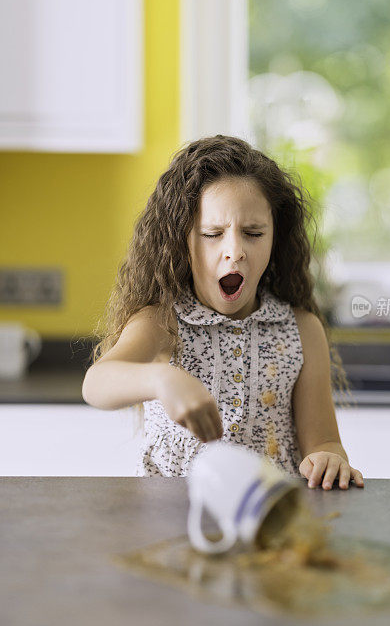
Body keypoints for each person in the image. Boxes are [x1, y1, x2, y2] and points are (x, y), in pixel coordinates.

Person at [82, 135, 364, 491]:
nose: (235, 251)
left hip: (267, 522)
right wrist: (161, 378)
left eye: (253, 233)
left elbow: (323, 442)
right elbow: (96, 384)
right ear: (180, 240)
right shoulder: (162, 322)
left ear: (276, 238)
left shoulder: (302, 330)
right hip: (170, 520)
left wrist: (329, 458)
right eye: (212, 233)